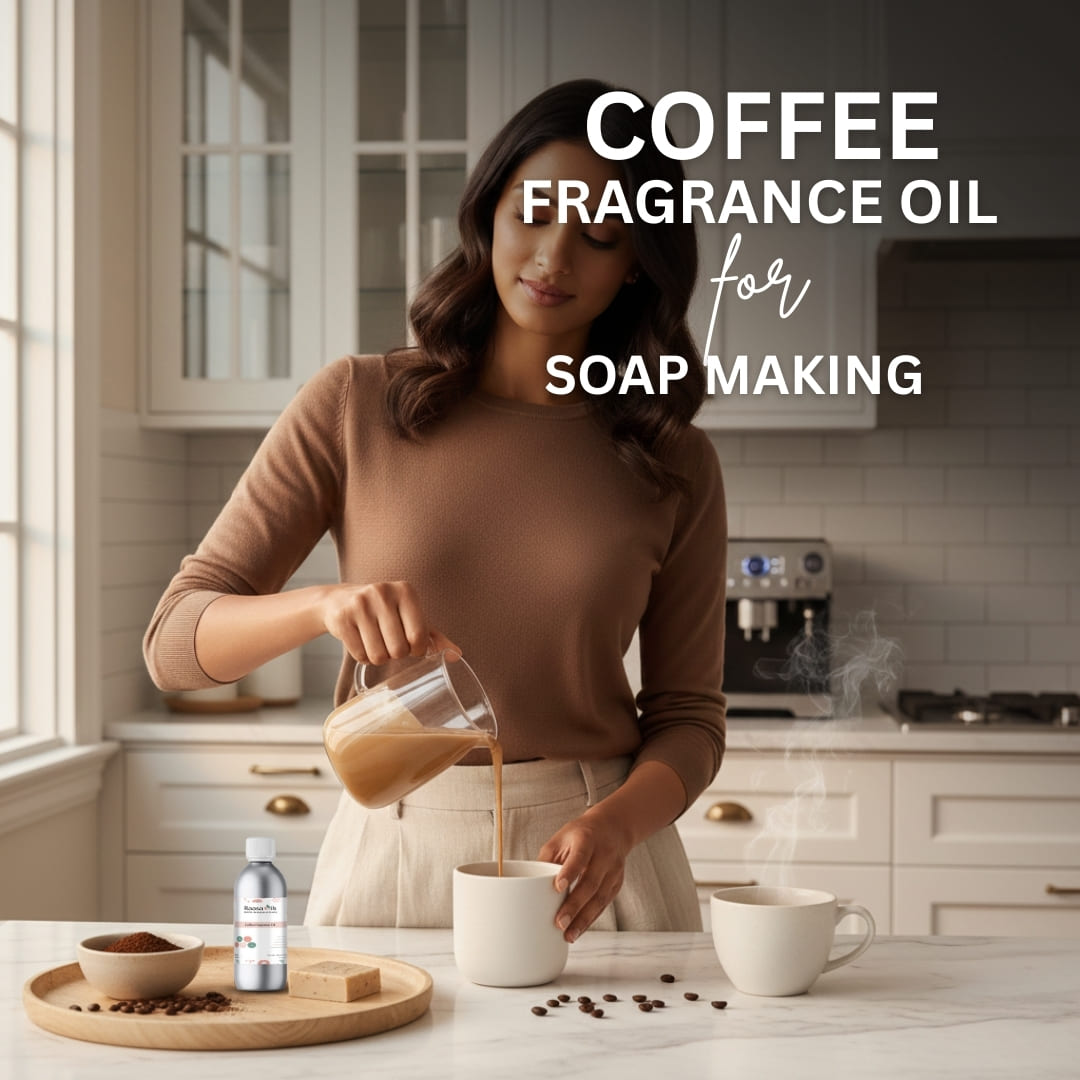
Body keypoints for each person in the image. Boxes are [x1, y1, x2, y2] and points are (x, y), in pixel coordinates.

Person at [144, 78, 727, 940]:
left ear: (638, 259)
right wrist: (322, 605)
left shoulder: (673, 458)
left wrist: (619, 824)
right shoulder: (355, 402)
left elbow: (689, 719)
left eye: (599, 234)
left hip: (598, 863)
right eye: (533, 214)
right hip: (395, 840)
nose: (553, 257)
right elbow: (174, 646)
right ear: (489, 212)